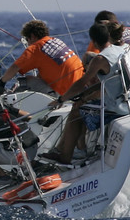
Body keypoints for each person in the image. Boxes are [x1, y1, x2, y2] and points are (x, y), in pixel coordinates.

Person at [42, 21, 129, 164]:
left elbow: (81, 83)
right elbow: (106, 83)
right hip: (126, 102)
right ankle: (78, 148)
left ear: (94, 42)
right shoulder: (121, 50)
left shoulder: (100, 59)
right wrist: (83, 96)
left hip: (115, 108)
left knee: (76, 112)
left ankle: (66, 156)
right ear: (108, 36)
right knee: (81, 103)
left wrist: (61, 100)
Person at [1, 20, 84, 98]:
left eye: (27, 39)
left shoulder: (35, 48)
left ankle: (8, 103)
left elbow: (15, 68)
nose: (28, 43)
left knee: (25, 81)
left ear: (32, 36)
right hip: (80, 88)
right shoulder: (55, 41)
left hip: (64, 95)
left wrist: (1, 82)